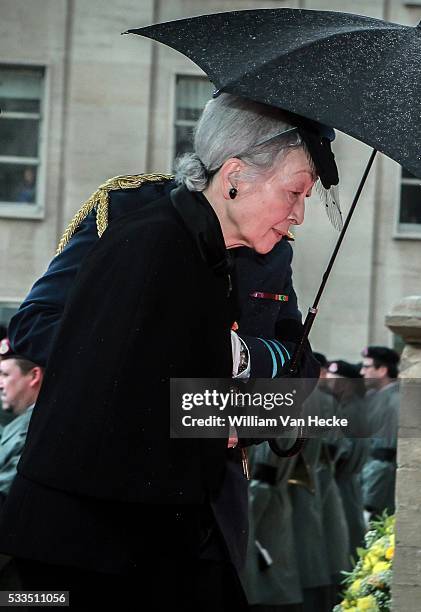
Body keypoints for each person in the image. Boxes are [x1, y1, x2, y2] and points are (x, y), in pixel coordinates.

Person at [0, 93, 337, 609]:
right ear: (235, 175)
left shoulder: (272, 254)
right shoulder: (134, 217)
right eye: (295, 192)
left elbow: (299, 372)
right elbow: (39, 327)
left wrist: (237, 377)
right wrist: (167, 363)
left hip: (205, 512)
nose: (300, 216)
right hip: (95, 512)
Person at [0, 338, 43, 506]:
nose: (0, 384)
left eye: (5, 374)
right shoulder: (20, 425)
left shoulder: (31, 429)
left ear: (34, 376)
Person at [360, 346, 400, 519]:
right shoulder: (373, 396)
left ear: (382, 370)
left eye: (367, 367)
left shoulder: (395, 401)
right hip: (365, 480)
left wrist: (369, 503)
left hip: (377, 490)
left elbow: (383, 457)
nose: (362, 372)